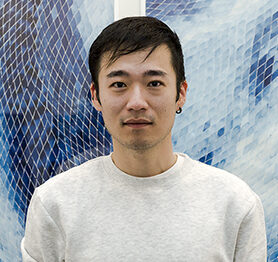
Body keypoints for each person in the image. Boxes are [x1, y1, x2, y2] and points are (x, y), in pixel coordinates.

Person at [21, 16, 267, 261]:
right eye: (119, 84)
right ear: (95, 96)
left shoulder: (235, 204)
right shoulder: (55, 204)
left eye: (154, 83)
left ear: (180, 93)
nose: (137, 102)